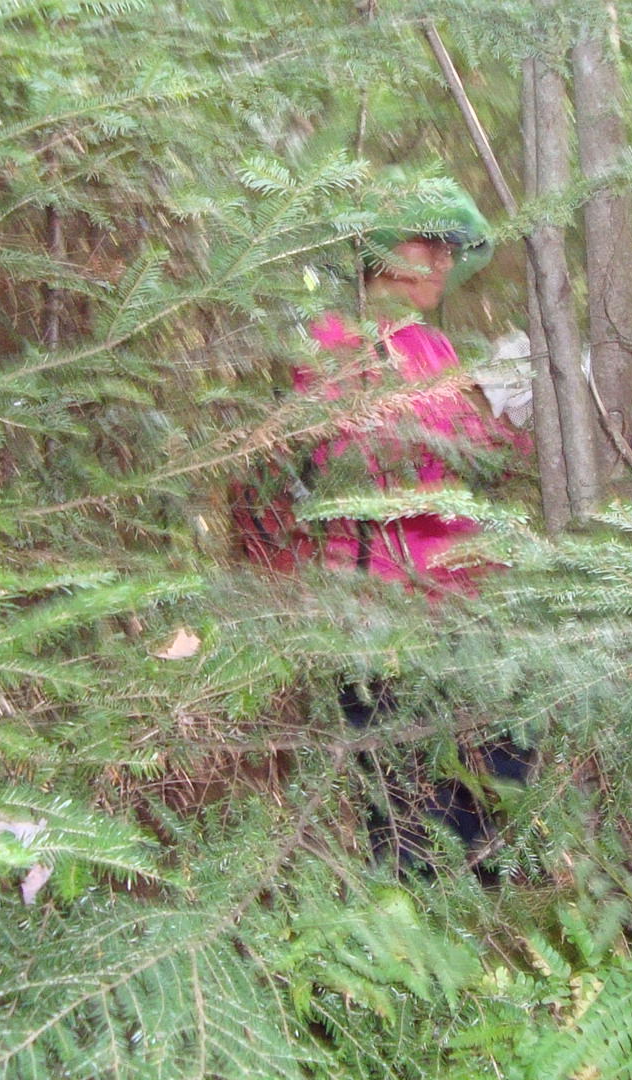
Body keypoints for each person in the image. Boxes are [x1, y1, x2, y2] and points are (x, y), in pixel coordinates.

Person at [235, 174, 533, 869]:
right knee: (415, 822)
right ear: (375, 252)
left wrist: (513, 413)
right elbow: (357, 460)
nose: (442, 261)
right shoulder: (333, 338)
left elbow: (469, 470)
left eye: (450, 248)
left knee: (498, 792)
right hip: (381, 621)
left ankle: (493, 949)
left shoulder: (436, 350)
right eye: (424, 242)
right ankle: (418, 956)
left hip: (466, 612)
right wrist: (470, 416)